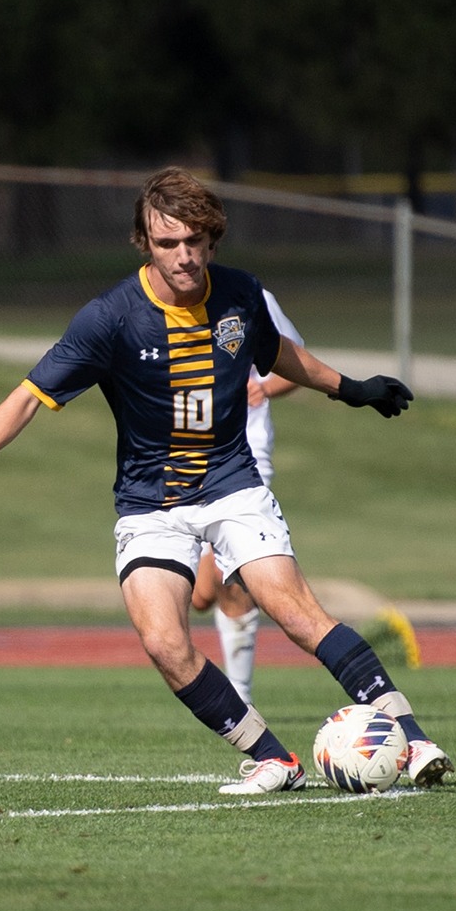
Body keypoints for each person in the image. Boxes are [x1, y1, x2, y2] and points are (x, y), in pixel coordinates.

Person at [0, 167, 454, 795]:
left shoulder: (238, 294)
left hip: (232, 482)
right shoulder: (110, 318)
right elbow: (29, 396)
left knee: (295, 611)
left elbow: (279, 352)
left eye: (195, 241)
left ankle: (414, 739)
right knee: (164, 642)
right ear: (145, 241)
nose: (184, 256)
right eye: (168, 242)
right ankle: (273, 760)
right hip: (150, 504)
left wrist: (351, 389)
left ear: (212, 239)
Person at [189, 288, 303, 704]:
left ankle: (240, 701)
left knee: (231, 578)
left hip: (243, 462)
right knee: (202, 594)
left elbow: (297, 365)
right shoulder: (154, 305)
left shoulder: (250, 297)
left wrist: (266, 389)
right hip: (183, 464)